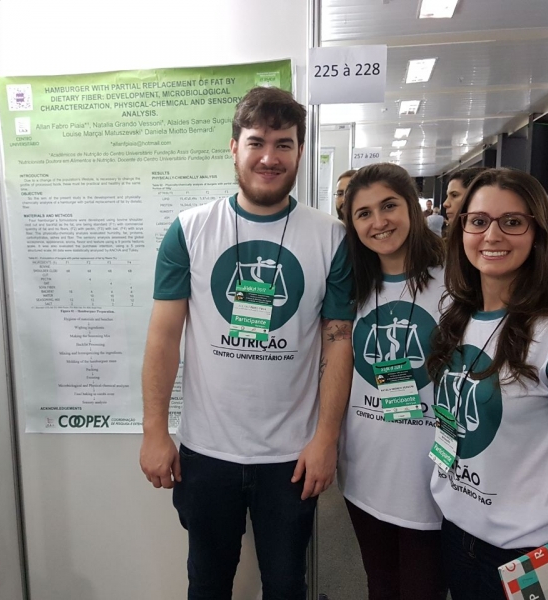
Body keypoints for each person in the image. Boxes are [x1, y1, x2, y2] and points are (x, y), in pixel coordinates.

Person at [139, 86, 355, 600]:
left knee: (286, 585)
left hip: (291, 456)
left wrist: (326, 439)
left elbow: (338, 343)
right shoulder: (190, 230)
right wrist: (154, 431)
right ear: (234, 147)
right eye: (257, 142)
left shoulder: (331, 237)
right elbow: (164, 338)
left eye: (284, 144)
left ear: (300, 152)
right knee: (207, 583)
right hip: (206, 453)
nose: (269, 157)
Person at [427, 168, 548, 600]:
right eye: (478, 221)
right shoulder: (458, 316)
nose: (492, 235)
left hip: (529, 551)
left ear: (538, 233)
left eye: (512, 222)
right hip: (457, 531)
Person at [337, 163, 447, 599]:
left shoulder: (458, 281)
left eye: (388, 206)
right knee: (380, 586)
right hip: (366, 472)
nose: (378, 222)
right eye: (363, 213)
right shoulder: (353, 285)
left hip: (432, 475)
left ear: (412, 208)